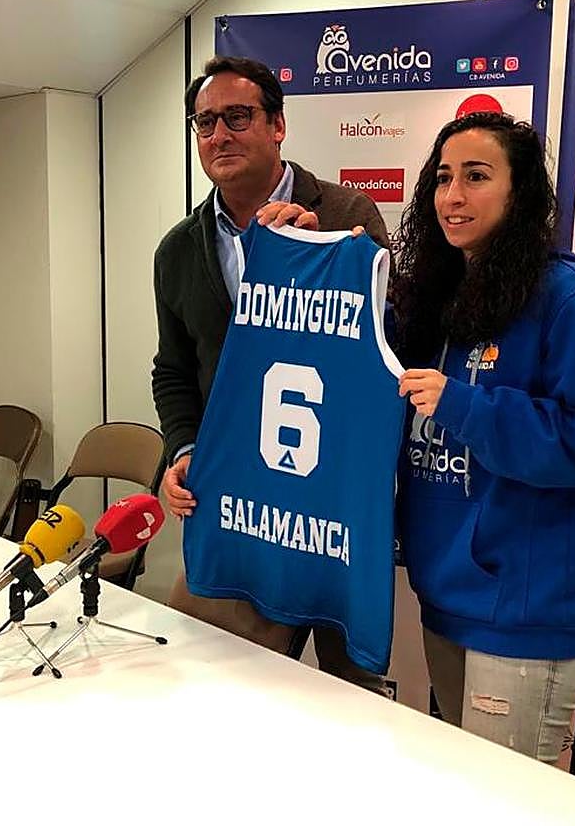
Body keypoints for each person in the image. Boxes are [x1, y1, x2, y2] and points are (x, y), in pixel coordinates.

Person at [391, 111, 575, 762]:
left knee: (504, 802)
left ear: (520, 191)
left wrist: (469, 409)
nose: (453, 195)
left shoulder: (570, 296)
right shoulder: (441, 296)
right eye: (443, 178)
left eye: (476, 176)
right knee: (463, 793)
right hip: (445, 598)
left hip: (525, 618)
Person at [152, 55, 389, 691]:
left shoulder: (346, 215)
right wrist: (185, 450)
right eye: (205, 123)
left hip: (332, 504)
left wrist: (323, 258)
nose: (219, 135)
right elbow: (173, 371)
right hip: (239, 502)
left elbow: (391, 342)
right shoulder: (178, 250)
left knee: (349, 700)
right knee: (214, 686)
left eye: (237, 116)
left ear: (277, 125)